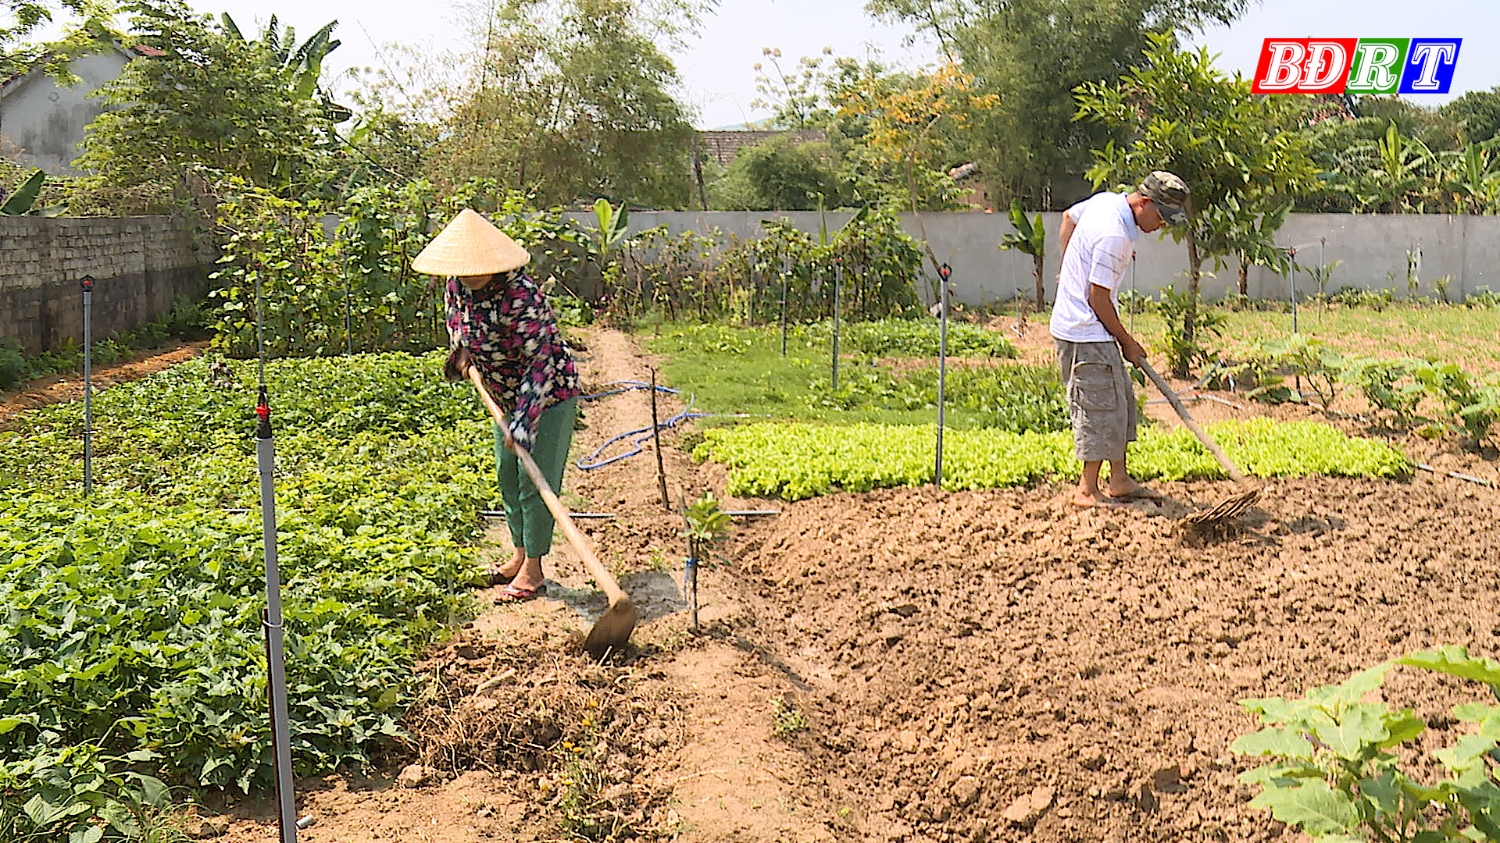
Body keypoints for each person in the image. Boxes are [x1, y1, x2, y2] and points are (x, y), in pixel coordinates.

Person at [412, 209, 582, 602]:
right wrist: (462, 356)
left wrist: (523, 423)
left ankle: (534, 570)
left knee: (534, 482)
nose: (469, 273)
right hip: (502, 393)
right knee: (508, 476)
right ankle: (518, 556)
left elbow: (540, 363)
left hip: (548, 395)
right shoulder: (456, 287)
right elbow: (459, 326)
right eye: (463, 267)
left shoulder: (521, 296)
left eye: (478, 267)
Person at [1049, 171, 1190, 508]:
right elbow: (1098, 298)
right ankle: (1087, 490)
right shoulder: (1116, 237)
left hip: (1091, 327)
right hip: (1084, 331)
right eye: (1161, 217)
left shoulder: (1106, 202)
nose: (1163, 226)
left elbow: (1069, 217)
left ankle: (1120, 480)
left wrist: (1068, 266)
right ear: (1143, 202)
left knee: (1118, 401)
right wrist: (1127, 341)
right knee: (1097, 408)